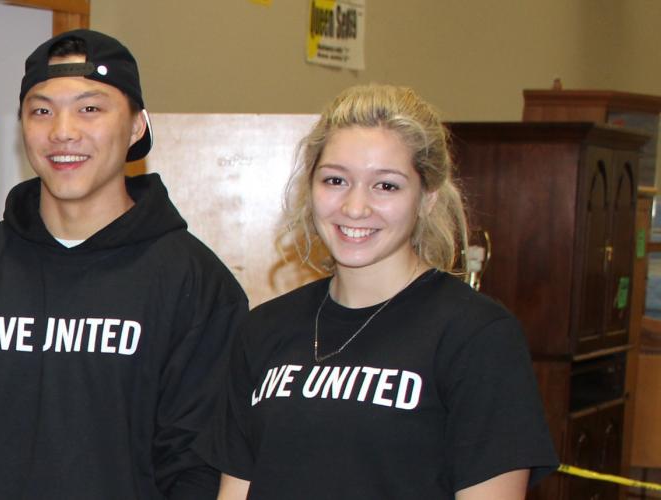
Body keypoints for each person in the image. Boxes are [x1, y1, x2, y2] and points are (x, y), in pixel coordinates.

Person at [0, 29, 246, 499]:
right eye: (41, 111)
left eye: (90, 109)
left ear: (137, 126)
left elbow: (197, 470)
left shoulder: (196, 284)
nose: (62, 131)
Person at [198, 84, 557, 499]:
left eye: (386, 186)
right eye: (335, 180)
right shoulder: (264, 330)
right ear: (310, 187)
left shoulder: (478, 336)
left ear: (427, 197)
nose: (355, 207)